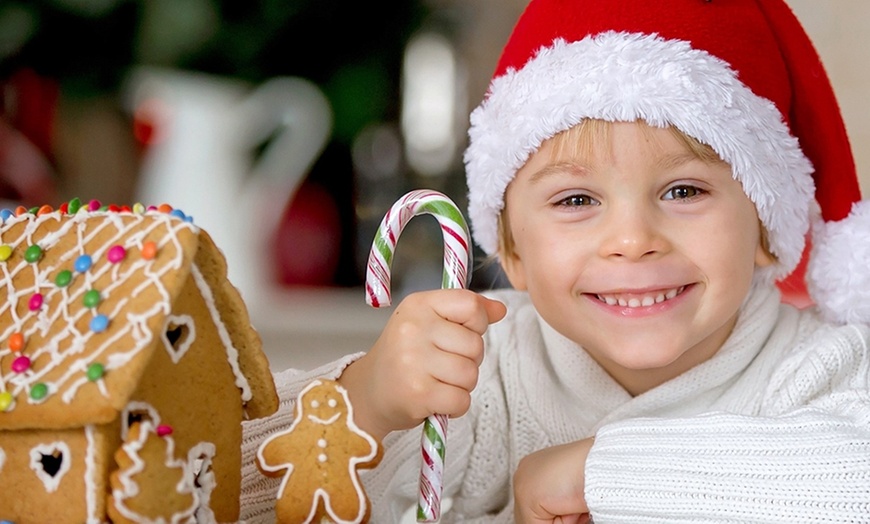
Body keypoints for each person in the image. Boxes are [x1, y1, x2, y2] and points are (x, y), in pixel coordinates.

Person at [240, 0, 870, 521]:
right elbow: (216, 486)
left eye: (684, 191)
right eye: (576, 200)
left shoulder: (822, 368)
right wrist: (367, 401)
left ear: (766, 226)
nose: (632, 240)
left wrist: (595, 475)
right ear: (512, 251)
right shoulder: (487, 371)